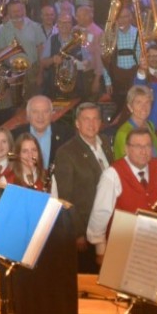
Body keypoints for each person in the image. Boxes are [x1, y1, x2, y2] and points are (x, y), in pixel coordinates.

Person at [87, 128, 157, 263]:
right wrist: (100, 250)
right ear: (126, 149)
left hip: (153, 244)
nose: (144, 151)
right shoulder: (112, 175)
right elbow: (100, 213)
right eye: (138, 146)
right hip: (122, 246)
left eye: (147, 146)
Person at [54, 102, 113, 272]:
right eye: (86, 119)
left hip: (108, 224)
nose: (91, 123)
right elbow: (65, 196)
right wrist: (78, 232)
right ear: (77, 123)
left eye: (95, 119)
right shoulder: (66, 152)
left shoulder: (105, 144)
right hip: (85, 228)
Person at [11, 94, 73, 170]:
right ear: (28, 114)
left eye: (45, 112)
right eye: (35, 112)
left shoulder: (67, 135)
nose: (40, 116)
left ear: (51, 114)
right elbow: (11, 163)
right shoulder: (14, 136)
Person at [113, 85, 157, 160]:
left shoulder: (150, 126)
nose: (144, 107)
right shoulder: (123, 133)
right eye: (138, 103)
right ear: (130, 107)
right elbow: (124, 164)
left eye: (147, 102)